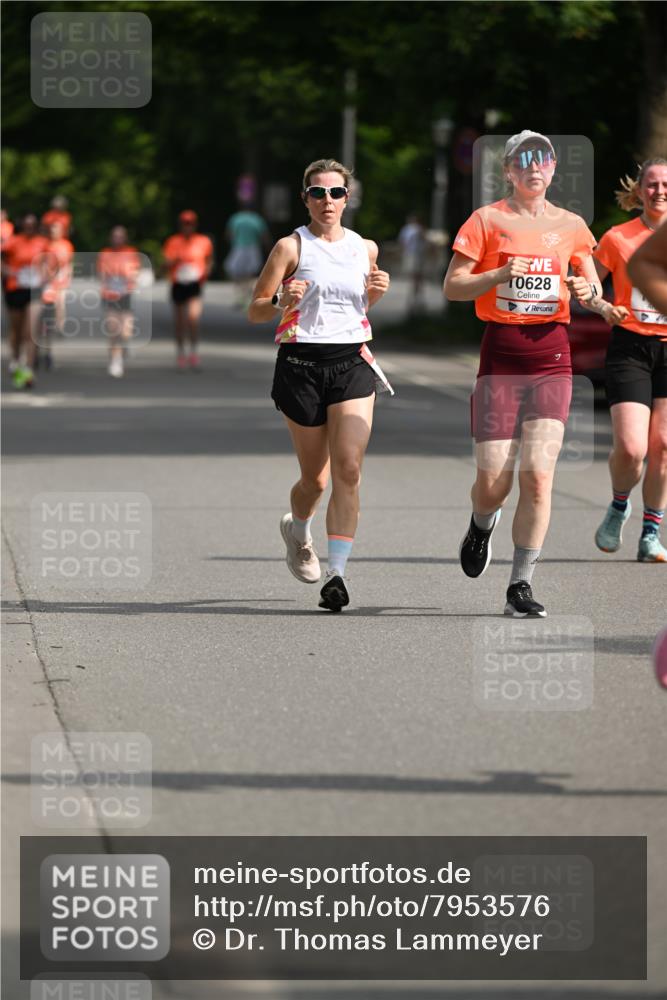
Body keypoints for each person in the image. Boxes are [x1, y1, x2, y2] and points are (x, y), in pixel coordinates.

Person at [444, 130, 602, 618]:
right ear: (509, 170)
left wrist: (584, 288)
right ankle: (481, 521)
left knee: (538, 477)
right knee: (494, 479)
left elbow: (593, 286)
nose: (535, 167)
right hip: (501, 357)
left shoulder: (572, 225)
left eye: (544, 159)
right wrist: (496, 275)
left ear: (553, 170)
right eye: (524, 160)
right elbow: (453, 286)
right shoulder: (487, 220)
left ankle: (521, 584)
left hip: (552, 356)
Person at [248, 158, 391, 612]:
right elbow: (254, 308)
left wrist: (376, 296)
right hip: (301, 365)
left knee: (348, 470)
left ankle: (338, 576)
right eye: (317, 193)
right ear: (305, 198)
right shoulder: (290, 248)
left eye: (336, 193)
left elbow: (352, 307)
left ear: (349, 198)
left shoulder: (364, 248)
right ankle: (298, 530)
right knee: (316, 478)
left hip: (351, 362)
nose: (326, 201)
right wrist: (278, 300)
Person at [590, 159, 667, 563]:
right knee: (633, 447)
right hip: (631, 347)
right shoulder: (618, 238)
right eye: (651, 184)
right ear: (639, 192)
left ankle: (651, 532)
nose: (659, 191)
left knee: (664, 445)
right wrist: (604, 307)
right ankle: (620, 503)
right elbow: (585, 288)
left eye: (665, 184)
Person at [1, 213, 50, 389]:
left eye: (33, 225)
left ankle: (28, 369)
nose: (29, 228)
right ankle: (15, 358)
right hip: (15, 289)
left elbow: (48, 263)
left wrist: (45, 276)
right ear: (22, 226)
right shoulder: (13, 242)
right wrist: (9, 272)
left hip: (34, 290)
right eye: (26, 225)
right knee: (16, 331)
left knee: (30, 331)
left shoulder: (42, 242)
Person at [162, 210, 213, 370]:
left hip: (194, 284)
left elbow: (209, 260)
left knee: (193, 319)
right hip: (178, 283)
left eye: (190, 223)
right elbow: (165, 264)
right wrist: (174, 261)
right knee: (179, 322)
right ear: (180, 225)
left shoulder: (203, 241)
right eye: (185, 223)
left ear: (195, 224)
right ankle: (180, 354)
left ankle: (193, 353)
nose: (187, 227)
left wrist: (205, 273)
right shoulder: (173, 242)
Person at [97, 226, 141, 378]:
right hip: (110, 295)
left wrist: (129, 280)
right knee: (113, 329)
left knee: (126, 332)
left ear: (125, 238)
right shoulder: (105, 253)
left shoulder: (131, 253)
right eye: (115, 236)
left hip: (125, 295)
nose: (117, 239)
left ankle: (124, 347)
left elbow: (135, 272)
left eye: (120, 236)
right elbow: (102, 274)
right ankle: (116, 361)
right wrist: (106, 285)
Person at [39, 218, 74, 370]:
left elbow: (69, 264)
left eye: (57, 228)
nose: (54, 231)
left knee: (53, 314)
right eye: (52, 228)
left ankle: (48, 351)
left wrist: (67, 278)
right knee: (40, 319)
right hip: (45, 285)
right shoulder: (44, 244)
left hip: (60, 285)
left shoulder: (67, 245)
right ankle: (36, 350)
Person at [224, 204, 270, 307]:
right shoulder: (257, 219)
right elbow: (264, 236)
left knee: (235, 272)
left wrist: (232, 244)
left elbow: (229, 234)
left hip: (239, 247)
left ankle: (239, 296)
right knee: (251, 274)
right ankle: (248, 296)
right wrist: (267, 248)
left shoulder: (236, 218)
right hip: (253, 248)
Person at [398, 213, 427, 311]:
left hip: (412, 254)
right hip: (415, 255)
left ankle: (414, 297)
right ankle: (416, 298)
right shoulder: (417, 229)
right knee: (417, 277)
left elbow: (402, 242)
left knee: (414, 277)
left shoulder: (407, 229)